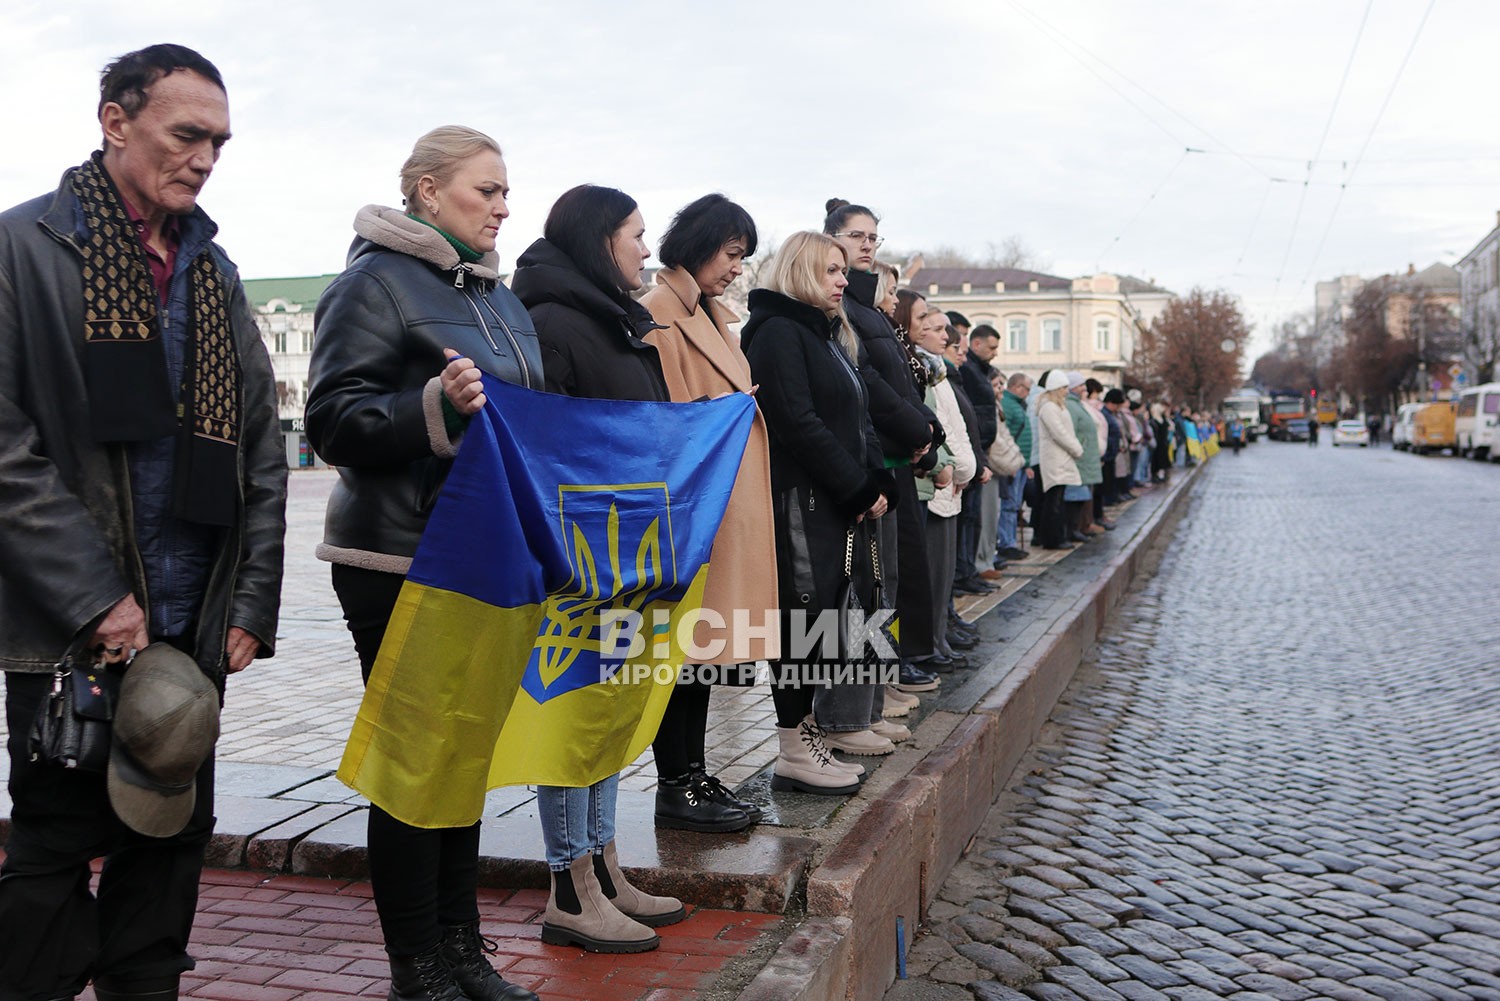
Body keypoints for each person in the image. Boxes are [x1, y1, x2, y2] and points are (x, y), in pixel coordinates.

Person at [0, 45, 287, 1001]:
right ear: (115, 121)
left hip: (191, 617)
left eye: (219, 141)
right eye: (186, 133)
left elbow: (260, 451)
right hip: (68, 625)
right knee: (49, 841)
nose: (205, 158)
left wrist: (247, 601)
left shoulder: (214, 270)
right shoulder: (20, 251)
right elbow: (6, 452)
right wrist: (94, 597)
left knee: (167, 837)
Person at [305, 126, 539, 1000]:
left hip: (487, 554)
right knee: (413, 763)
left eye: (506, 190)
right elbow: (333, 419)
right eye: (487, 190)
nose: (504, 206)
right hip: (399, 554)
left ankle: (462, 949)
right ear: (427, 192)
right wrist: (430, 407)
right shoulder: (370, 283)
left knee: (464, 757)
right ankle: (417, 964)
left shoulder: (500, 300)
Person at [509, 184, 686, 953]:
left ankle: (605, 864)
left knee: (611, 714)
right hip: (583, 564)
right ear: (597, 240)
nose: (646, 249)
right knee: (572, 720)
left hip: (626, 560)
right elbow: (553, 446)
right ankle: (566, 884)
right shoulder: (554, 321)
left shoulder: (615, 320)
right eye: (636, 235)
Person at [741, 231, 896, 789]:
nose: (842, 280)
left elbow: (856, 417)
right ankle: (794, 747)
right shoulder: (780, 332)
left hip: (832, 501)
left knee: (829, 622)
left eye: (842, 271)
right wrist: (856, 486)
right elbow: (796, 423)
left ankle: (808, 736)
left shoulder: (828, 333)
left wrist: (875, 482)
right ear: (802, 271)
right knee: (802, 626)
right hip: (799, 503)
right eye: (831, 270)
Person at [640, 194, 771, 834]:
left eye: (742, 258)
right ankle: (676, 782)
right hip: (695, 508)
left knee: (703, 651)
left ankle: (692, 772)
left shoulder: (713, 315)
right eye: (731, 254)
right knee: (681, 653)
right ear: (697, 244)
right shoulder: (661, 314)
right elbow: (667, 419)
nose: (736, 269)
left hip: (722, 503)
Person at [823, 200, 941, 699]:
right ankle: (857, 703)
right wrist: (918, 430)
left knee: (885, 585)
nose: (867, 245)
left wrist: (922, 429)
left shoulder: (867, 306)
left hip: (889, 459)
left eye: (874, 237)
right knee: (861, 592)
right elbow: (866, 384)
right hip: (865, 466)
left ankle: (880, 686)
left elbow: (895, 382)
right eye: (856, 237)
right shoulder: (841, 305)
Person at [959, 324, 1002, 580]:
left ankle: (969, 572)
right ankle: (965, 573)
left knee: (973, 518)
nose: (995, 353)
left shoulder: (979, 371)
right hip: (972, 454)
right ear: (977, 344)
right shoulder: (969, 371)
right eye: (992, 347)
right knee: (968, 518)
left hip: (980, 451)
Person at [1032, 371, 1082, 549]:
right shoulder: (1049, 408)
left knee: (1057, 500)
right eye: (1064, 387)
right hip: (1055, 460)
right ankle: (1052, 539)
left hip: (1061, 458)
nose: (1067, 391)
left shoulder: (1056, 406)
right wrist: (1076, 448)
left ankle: (1056, 537)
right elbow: (1059, 433)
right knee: (1053, 502)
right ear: (1055, 388)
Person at [998, 373, 1033, 562]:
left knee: (1014, 505)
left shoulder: (1017, 405)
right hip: (1012, 465)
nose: (1028, 393)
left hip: (1019, 464)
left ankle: (1009, 541)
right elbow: (1007, 435)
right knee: (1009, 505)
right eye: (1027, 389)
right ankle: (1006, 543)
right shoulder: (1009, 405)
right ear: (1018, 387)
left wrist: (1025, 464)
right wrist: (1011, 462)